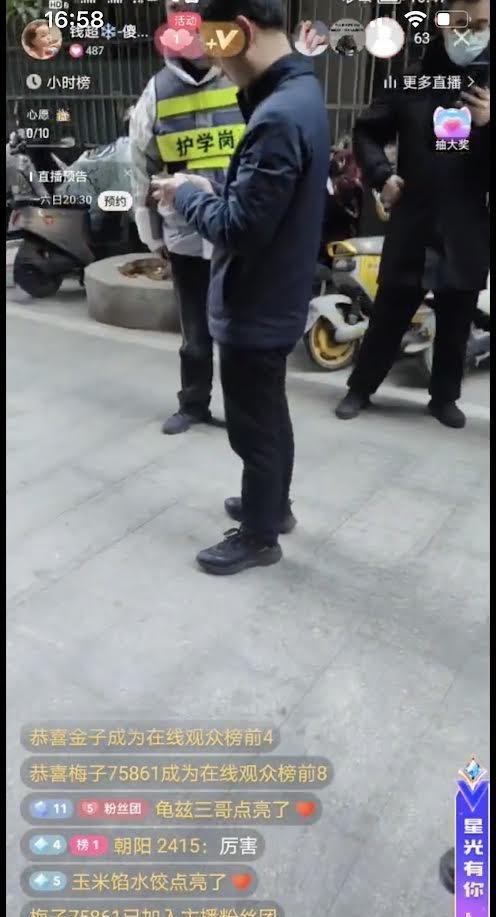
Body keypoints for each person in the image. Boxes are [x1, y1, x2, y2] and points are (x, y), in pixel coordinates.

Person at [152, 0, 330, 575]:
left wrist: (186, 195)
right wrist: (216, 189)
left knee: (254, 429)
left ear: (243, 32)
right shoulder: (301, 92)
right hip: (279, 291)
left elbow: (239, 229)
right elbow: (263, 203)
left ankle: (258, 537)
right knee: (270, 413)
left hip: (257, 300)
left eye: (215, 47)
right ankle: (273, 508)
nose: (214, 63)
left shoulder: (277, 115)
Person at [336, 0, 490, 428]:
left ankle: (444, 398)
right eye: (462, 24)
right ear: (443, 24)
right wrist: (382, 176)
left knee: (457, 318)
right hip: (414, 217)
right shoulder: (411, 81)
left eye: (482, 26)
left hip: (466, 223)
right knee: (390, 311)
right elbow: (367, 132)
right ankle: (360, 388)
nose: (471, 35)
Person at [129, 1, 244, 434]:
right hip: (185, 233)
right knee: (195, 335)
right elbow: (141, 164)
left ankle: (245, 414)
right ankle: (193, 404)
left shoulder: (243, 79)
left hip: (237, 229)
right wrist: (151, 232)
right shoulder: (157, 92)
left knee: (240, 335)